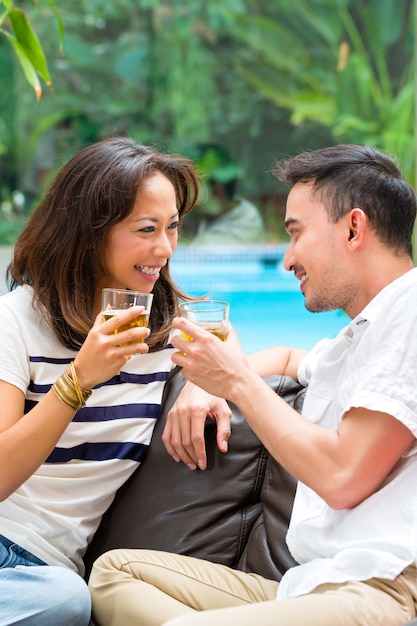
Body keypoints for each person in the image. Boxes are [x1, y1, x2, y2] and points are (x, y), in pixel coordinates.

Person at [88, 144, 417, 626]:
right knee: (114, 573)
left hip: (383, 589)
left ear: (353, 228)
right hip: (311, 585)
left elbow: (345, 477)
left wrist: (236, 381)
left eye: (296, 233)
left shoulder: (409, 312)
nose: (287, 260)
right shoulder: (361, 336)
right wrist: (210, 384)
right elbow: (287, 357)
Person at [0, 135, 204, 625]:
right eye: (146, 229)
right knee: (67, 601)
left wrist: (202, 385)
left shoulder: (163, 331)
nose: (164, 248)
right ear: (89, 233)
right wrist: (78, 381)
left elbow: (247, 349)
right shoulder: (17, 321)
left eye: (172, 227)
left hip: (43, 579)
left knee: (65, 599)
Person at [187, 144, 264, 245]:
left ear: (217, 191)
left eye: (194, 188)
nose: (188, 199)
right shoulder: (216, 215)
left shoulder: (241, 230)